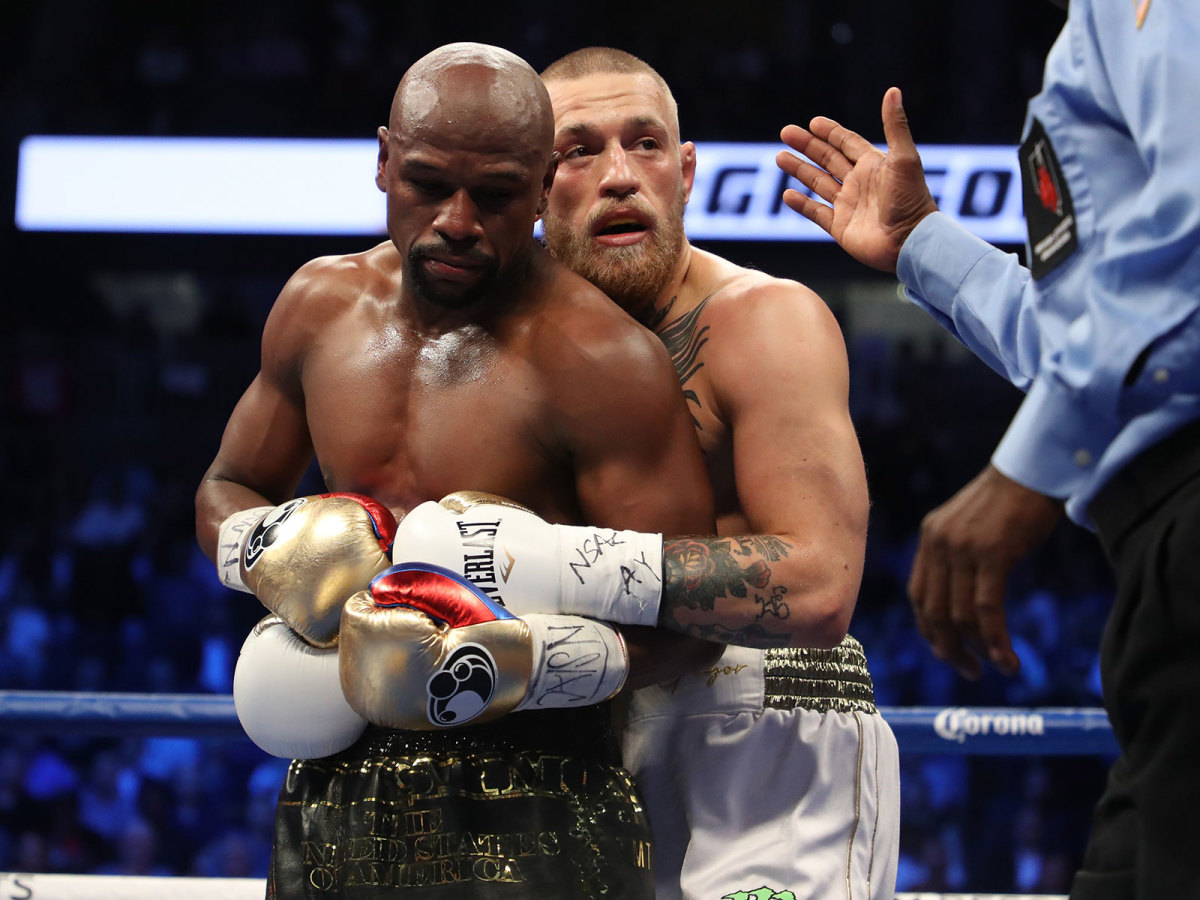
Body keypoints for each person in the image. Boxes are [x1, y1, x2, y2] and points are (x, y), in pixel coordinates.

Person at [195, 42, 719, 899]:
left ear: (546, 184)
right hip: (338, 790)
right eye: (430, 184)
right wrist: (278, 552)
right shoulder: (319, 309)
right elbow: (227, 487)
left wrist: (529, 660)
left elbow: (692, 617)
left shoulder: (602, 362)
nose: (458, 222)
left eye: (499, 195)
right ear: (383, 162)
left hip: (546, 803)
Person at [776, 2, 1200, 897]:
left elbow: (1187, 255)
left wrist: (1026, 471)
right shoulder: (1098, 25)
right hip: (1159, 557)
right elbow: (1099, 332)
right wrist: (923, 240)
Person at [525, 46, 899, 900]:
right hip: (591, 729)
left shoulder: (765, 321)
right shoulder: (514, 358)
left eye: (645, 143)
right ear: (534, 186)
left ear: (685, 171)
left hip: (766, 712)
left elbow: (817, 587)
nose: (620, 175)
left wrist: (559, 565)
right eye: (579, 150)